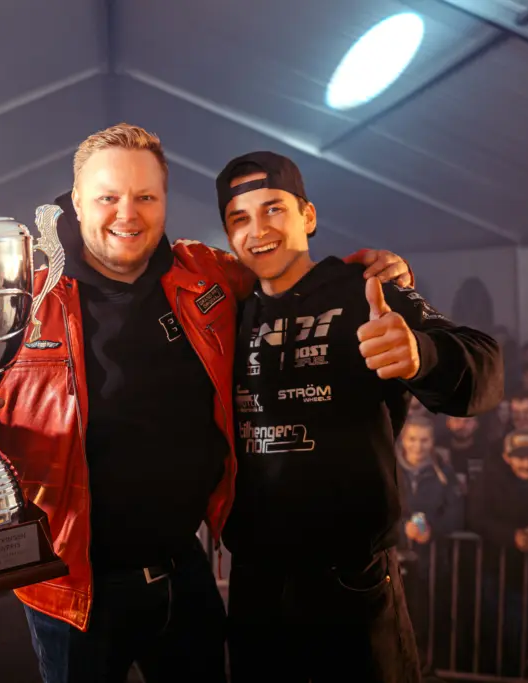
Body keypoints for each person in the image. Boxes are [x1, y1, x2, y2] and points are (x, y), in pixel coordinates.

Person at [0, 123, 414, 683]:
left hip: (184, 573)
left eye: (145, 197)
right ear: (76, 202)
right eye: (108, 197)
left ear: (165, 201)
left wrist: (360, 272)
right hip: (73, 592)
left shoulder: (206, 274)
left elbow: (283, 269)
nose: (127, 214)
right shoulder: (21, 293)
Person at [215, 150, 503, 683]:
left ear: (308, 216)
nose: (258, 230)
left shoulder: (364, 291)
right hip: (258, 587)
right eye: (239, 218)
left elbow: (484, 366)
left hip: (350, 584)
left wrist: (420, 354)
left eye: (274, 208)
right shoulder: (228, 311)